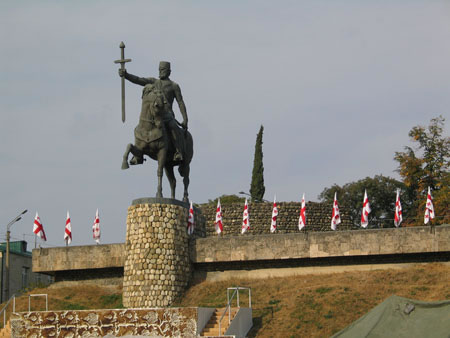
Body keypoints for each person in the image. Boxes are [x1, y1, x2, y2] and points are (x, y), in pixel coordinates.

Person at [119, 61, 188, 161]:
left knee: (173, 126)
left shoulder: (174, 86)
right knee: (140, 127)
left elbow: (180, 102)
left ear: (169, 71)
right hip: (154, 114)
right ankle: (138, 154)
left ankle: (178, 151)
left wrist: (185, 119)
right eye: (159, 70)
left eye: (163, 70)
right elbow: (138, 80)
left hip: (167, 115)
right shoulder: (153, 82)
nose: (160, 72)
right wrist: (126, 75)